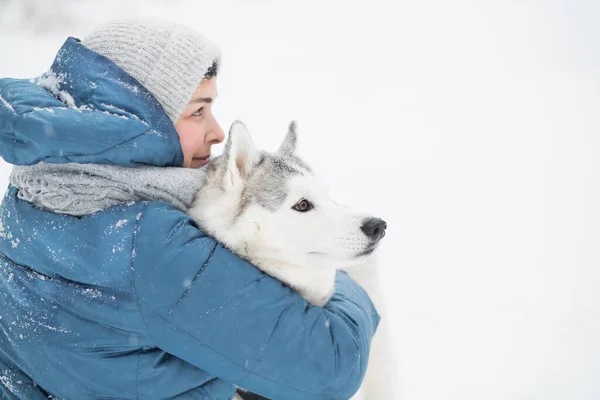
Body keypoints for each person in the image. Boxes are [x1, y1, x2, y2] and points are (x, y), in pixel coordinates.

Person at [0, 19, 380, 399]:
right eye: (198, 111)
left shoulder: (31, 191)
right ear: (140, 119)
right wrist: (349, 281)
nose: (216, 132)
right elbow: (330, 366)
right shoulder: (152, 243)